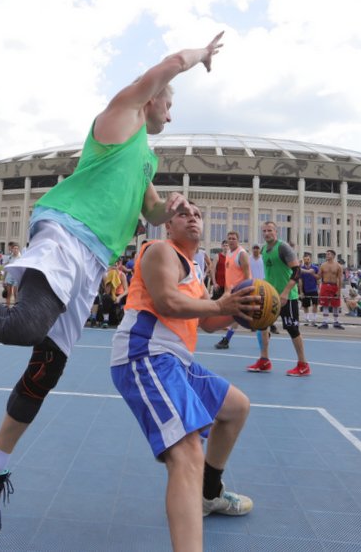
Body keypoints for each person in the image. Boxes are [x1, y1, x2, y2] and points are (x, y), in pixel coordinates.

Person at [0, 33, 225, 535]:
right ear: (154, 96)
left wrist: (170, 206)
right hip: (68, 231)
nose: (170, 115)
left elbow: (151, 209)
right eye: (170, 103)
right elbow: (167, 65)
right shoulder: (121, 116)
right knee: (25, 325)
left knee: (46, 365)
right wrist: (198, 56)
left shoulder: (144, 159)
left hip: (92, 262)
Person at [111, 203, 257, 550]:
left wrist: (242, 311)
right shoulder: (161, 251)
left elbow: (207, 321)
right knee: (188, 452)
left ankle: (208, 495)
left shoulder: (191, 268)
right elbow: (166, 303)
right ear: (168, 225)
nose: (192, 216)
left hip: (176, 359)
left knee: (236, 408)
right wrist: (222, 305)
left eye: (197, 214)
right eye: (183, 213)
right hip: (146, 353)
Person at [246, 220, 311, 375]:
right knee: (262, 325)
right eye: (264, 231)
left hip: (287, 296)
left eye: (270, 230)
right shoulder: (263, 249)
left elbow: (297, 271)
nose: (267, 233)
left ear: (276, 232)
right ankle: (264, 360)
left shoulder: (283, 248)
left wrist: (286, 292)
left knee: (292, 328)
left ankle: (303, 364)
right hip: (270, 296)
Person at [215, 231, 251, 349]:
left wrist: (246, 291)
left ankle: (227, 339)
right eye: (229, 238)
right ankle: (264, 331)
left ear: (238, 240)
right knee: (247, 317)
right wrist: (226, 290)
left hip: (241, 290)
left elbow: (247, 275)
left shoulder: (242, 254)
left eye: (233, 238)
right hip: (231, 291)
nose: (231, 240)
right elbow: (229, 274)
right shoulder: (229, 253)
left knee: (237, 316)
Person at [317, 249, 344, 329]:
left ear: (333, 256)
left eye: (328, 254)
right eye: (326, 254)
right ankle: (325, 322)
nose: (327, 255)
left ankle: (336, 322)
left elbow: (340, 279)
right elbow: (319, 276)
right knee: (324, 304)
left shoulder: (338, 266)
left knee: (336, 304)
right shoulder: (322, 265)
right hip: (325, 285)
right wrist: (311, 273)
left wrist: (339, 291)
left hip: (334, 285)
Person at [298, 252, 320, 326]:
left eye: (307, 259)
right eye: (304, 259)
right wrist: (301, 291)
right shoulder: (301, 269)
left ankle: (313, 320)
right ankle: (307, 319)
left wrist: (319, 288)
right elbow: (300, 280)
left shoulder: (315, 268)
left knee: (315, 304)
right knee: (305, 305)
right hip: (305, 289)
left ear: (310, 259)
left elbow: (318, 279)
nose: (306, 260)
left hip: (314, 289)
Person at [1, 242, 22, 306]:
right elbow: (6, 269)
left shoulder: (21, 258)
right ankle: (7, 308)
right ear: (12, 249)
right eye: (14, 248)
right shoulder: (9, 257)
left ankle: (16, 308)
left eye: (17, 248)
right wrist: (3, 280)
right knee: (8, 294)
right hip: (9, 277)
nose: (15, 250)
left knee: (16, 293)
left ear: (18, 249)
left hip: (16, 277)